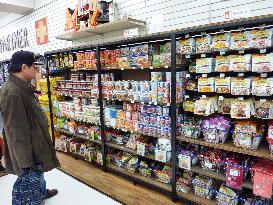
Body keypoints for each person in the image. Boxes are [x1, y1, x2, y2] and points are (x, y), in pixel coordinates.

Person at [0, 51, 60, 205]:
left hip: (35, 142)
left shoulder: (22, 87)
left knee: (38, 170)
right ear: (24, 67)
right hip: (28, 148)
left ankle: (40, 192)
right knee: (29, 175)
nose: (36, 69)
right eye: (34, 66)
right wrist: (25, 162)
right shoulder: (12, 93)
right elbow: (15, 131)